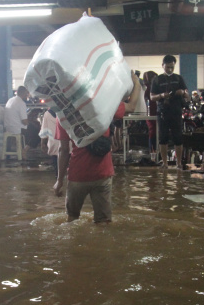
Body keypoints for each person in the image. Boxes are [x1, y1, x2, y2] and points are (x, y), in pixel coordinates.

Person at [53, 72, 141, 223]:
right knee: (104, 222)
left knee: (72, 219)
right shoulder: (103, 104)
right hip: (102, 174)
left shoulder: (63, 114)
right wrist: (137, 83)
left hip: (78, 175)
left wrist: (59, 180)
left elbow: (63, 150)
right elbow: (132, 107)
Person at [150, 55, 189, 169]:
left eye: (172, 67)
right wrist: (162, 95)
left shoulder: (179, 78)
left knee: (178, 138)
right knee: (163, 138)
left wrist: (182, 92)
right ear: (163, 66)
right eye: (168, 67)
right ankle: (165, 163)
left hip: (176, 111)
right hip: (162, 112)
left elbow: (187, 95)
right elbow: (152, 97)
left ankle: (179, 163)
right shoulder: (157, 80)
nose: (170, 69)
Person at [4, 85, 30, 153]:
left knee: (32, 127)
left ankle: (20, 148)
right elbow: (24, 121)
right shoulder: (21, 103)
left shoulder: (10, 100)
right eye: (27, 94)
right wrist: (29, 122)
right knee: (37, 131)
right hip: (17, 129)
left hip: (8, 128)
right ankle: (24, 150)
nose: (27, 96)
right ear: (24, 93)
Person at [38, 108, 60, 176]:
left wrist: (42, 143)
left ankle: (58, 179)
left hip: (54, 144)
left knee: (57, 166)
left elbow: (44, 131)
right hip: (69, 144)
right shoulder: (69, 111)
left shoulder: (47, 114)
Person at [142, 70, 158, 158]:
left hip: (155, 112)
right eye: (154, 77)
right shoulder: (147, 88)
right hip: (150, 113)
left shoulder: (153, 87)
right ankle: (152, 150)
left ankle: (153, 150)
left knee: (154, 131)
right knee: (153, 130)